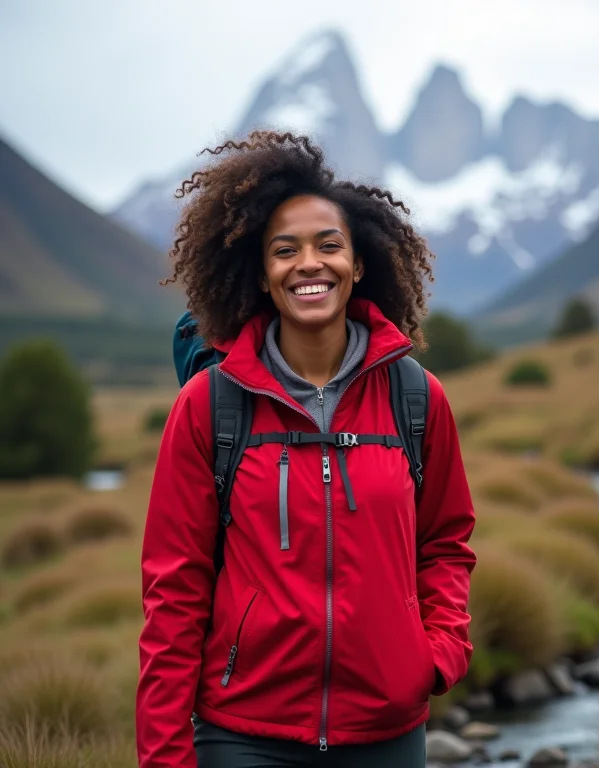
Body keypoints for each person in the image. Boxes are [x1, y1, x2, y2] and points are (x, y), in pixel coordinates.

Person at [135, 130, 476, 768]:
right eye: (284, 250)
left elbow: (447, 542)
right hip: (242, 736)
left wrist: (437, 652)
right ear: (262, 275)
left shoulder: (416, 398)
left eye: (329, 245)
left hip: (386, 732)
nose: (308, 264)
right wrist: (163, 756)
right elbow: (173, 594)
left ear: (359, 262)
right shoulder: (210, 406)